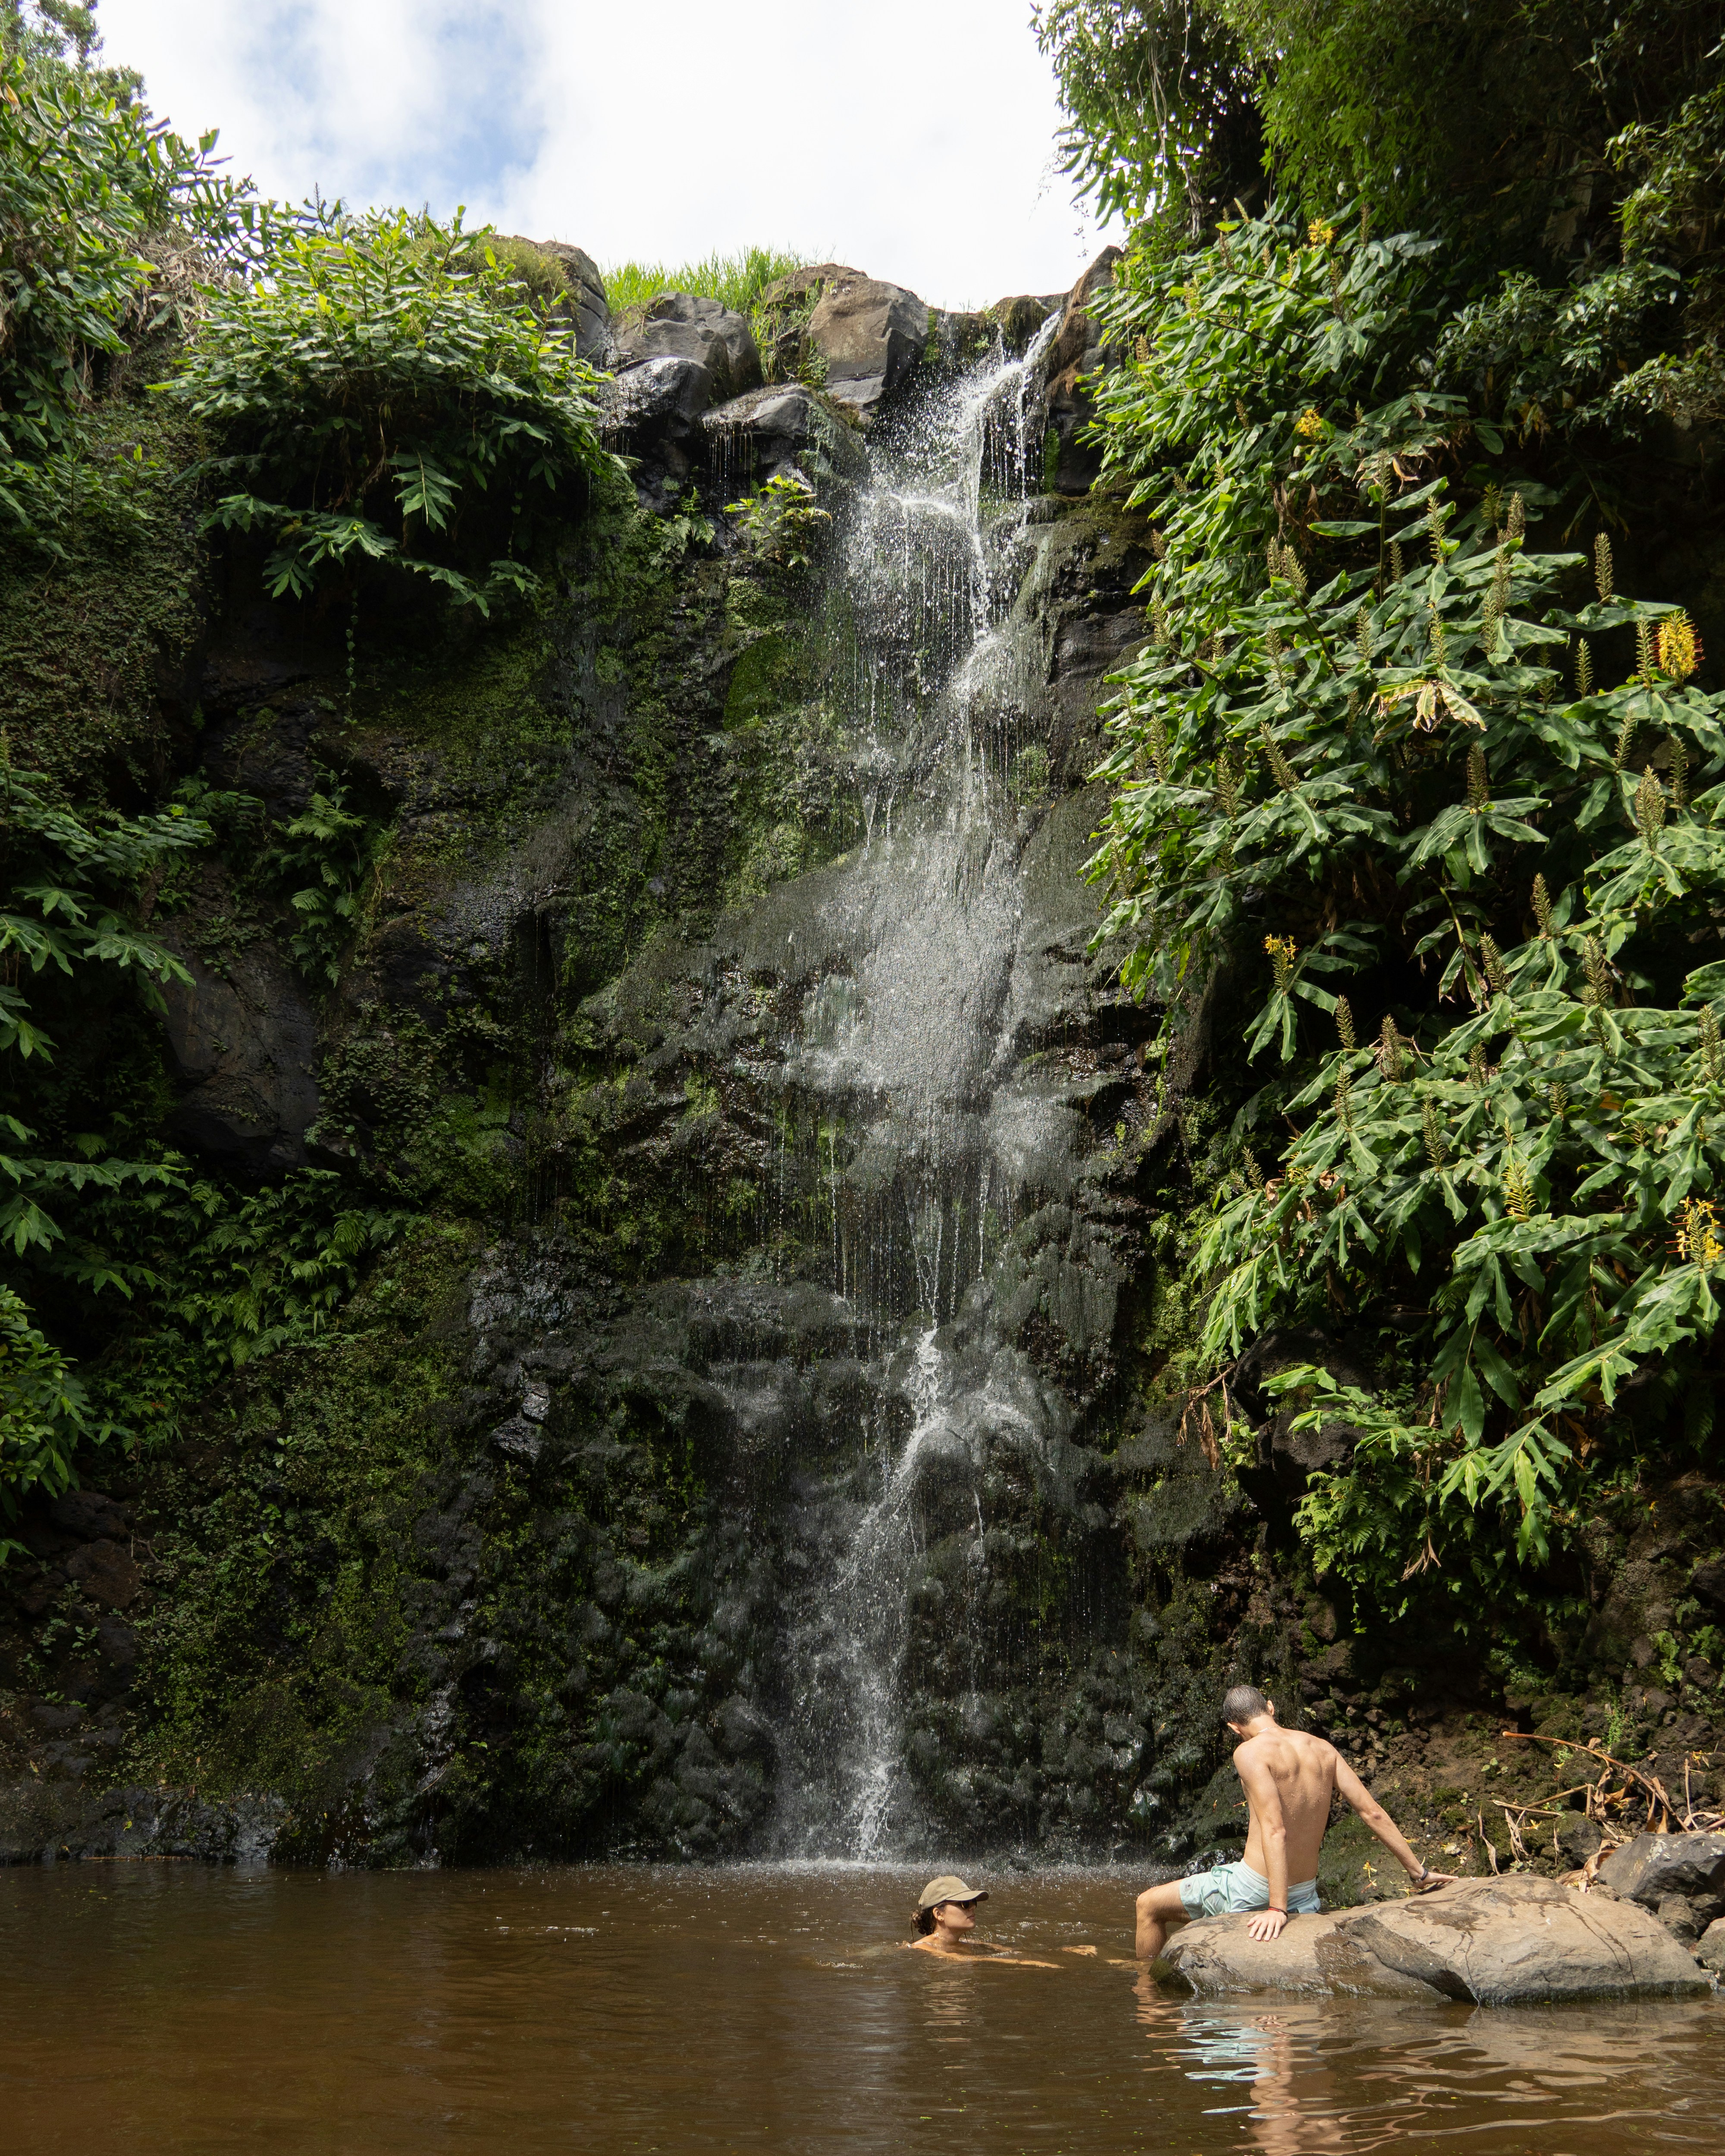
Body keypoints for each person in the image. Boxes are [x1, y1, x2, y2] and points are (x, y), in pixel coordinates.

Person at [1134, 1685, 1457, 1961]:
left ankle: (1148, 1988)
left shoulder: (1249, 1752)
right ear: (1271, 1708)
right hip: (1305, 1893)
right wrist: (1419, 1872)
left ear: (1234, 1727)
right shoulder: (1323, 1749)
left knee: (1147, 1905)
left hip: (1253, 1888)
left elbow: (1275, 1828)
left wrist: (1277, 1909)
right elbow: (1372, 1813)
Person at [905, 1875, 1058, 1965]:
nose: (972, 1908)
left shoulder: (966, 1943)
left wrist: (1065, 1951)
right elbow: (969, 1959)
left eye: (974, 1903)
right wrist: (1027, 1963)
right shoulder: (923, 1947)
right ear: (939, 1914)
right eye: (965, 1904)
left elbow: (1010, 1952)